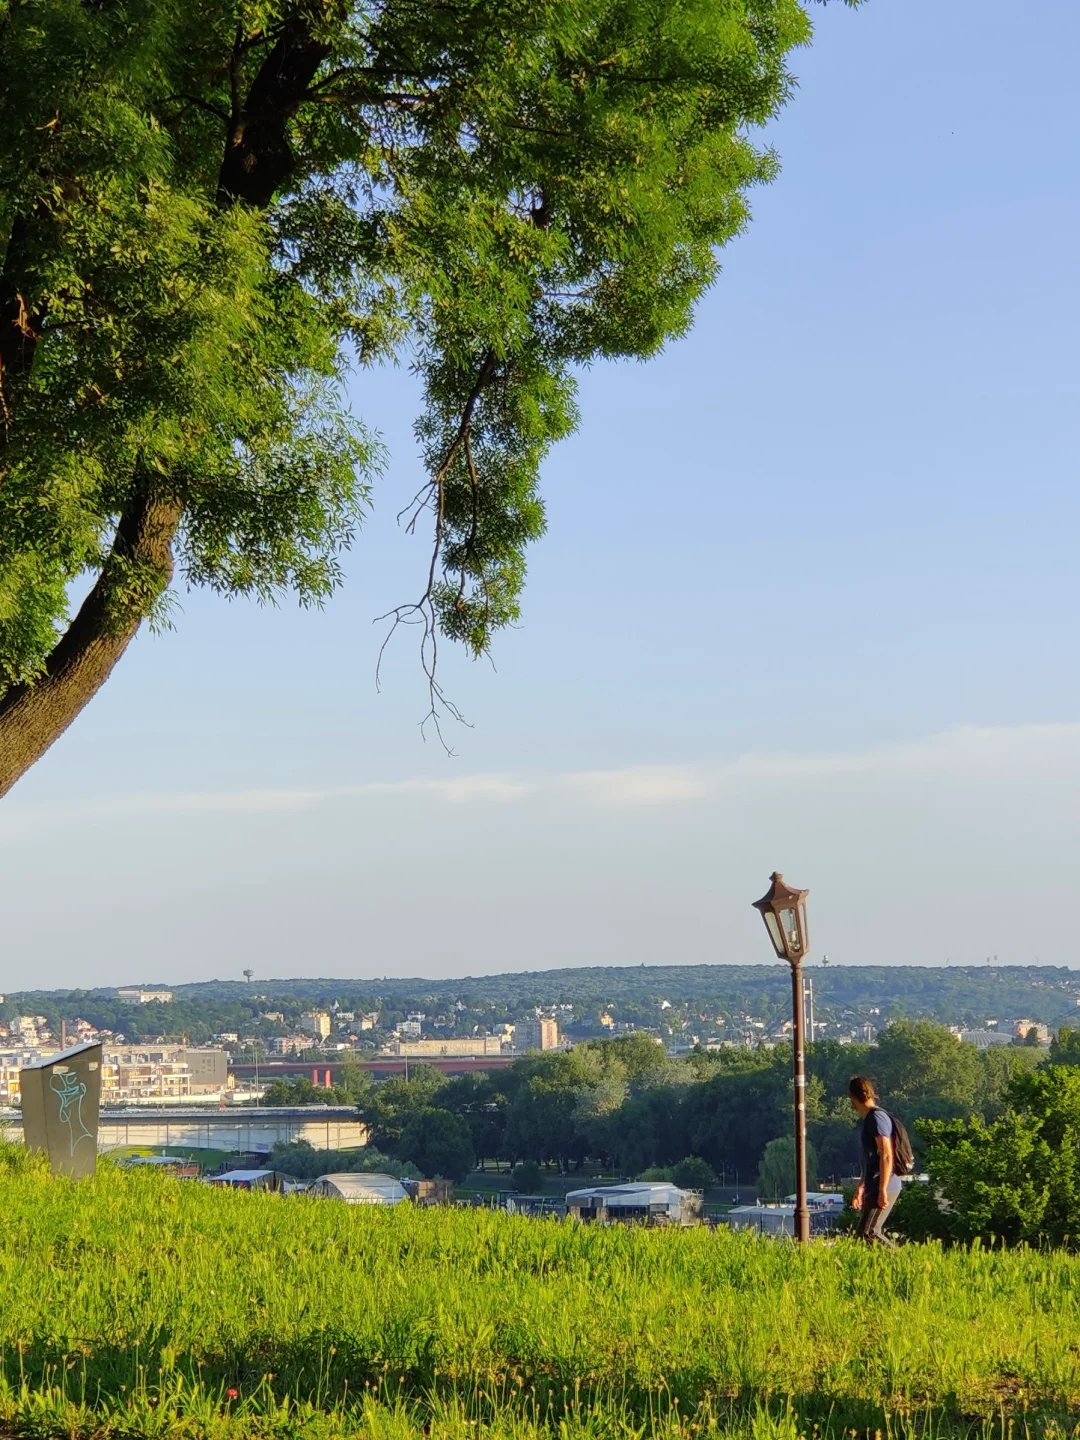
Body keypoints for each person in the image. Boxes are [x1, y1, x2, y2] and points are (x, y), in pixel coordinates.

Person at [848, 1075, 901, 1245]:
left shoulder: (876, 1118)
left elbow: (886, 1154)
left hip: (884, 1183)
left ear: (853, 1097)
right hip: (875, 1184)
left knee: (869, 1233)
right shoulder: (871, 1119)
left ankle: (906, 1265)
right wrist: (861, 1187)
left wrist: (883, 1189)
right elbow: (871, 1158)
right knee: (862, 1238)